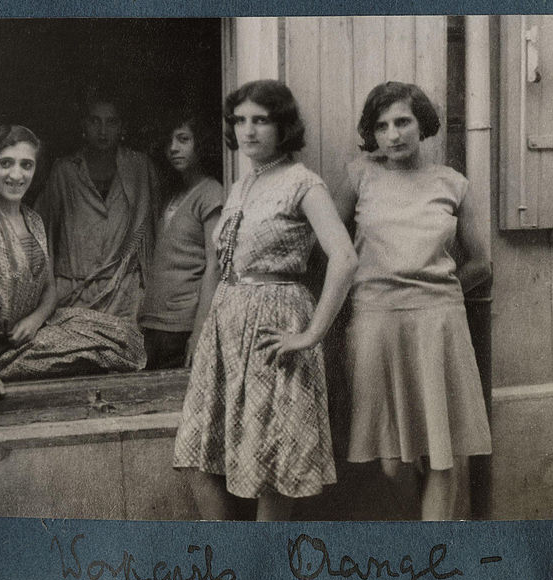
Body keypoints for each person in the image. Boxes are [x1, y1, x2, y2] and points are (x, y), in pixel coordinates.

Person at [173, 80, 358, 521]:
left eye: (261, 120)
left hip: (275, 323)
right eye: (240, 120)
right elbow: (221, 262)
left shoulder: (302, 183)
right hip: (227, 325)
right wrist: (203, 331)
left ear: (283, 126)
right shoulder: (241, 185)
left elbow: (345, 259)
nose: (248, 131)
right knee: (201, 451)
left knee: (274, 454)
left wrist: (311, 334)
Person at [337, 81, 492, 520]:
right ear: (372, 133)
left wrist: (436, 291)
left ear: (421, 123)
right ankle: (415, 528)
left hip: (437, 324)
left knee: (443, 452)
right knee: (391, 463)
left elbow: (482, 262)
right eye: (382, 126)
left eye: (403, 121)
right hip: (375, 320)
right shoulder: (358, 177)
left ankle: (432, 553)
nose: (394, 134)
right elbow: (327, 246)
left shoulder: (453, 184)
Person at [0, 125, 146, 402]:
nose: (16, 175)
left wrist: (35, 320)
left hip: (30, 336)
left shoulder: (33, 220)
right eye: (5, 163)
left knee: (122, 335)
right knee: (104, 349)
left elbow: (50, 293)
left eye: (26, 165)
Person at [35, 90, 158, 320]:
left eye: (111, 122)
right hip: (73, 293)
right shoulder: (65, 171)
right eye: (95, 121)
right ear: (84, 124)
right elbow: (43, 232)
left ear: (122, 127)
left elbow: (153, 231)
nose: (103, 131)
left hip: (124, 295)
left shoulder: (139, 167)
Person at [139, 112, 223, 369]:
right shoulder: (173, 193)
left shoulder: (211, 193)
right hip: (153, 323)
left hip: (182, 325)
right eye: (169, 142)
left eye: (183, 139)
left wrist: (199, 335)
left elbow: (215, 266)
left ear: (202, 144)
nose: (173, 148)